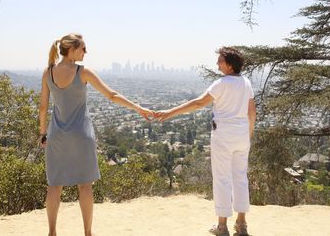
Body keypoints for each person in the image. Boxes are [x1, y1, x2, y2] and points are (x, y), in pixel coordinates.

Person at [38, 33, 152, 236]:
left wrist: (43, 134)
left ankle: (52, 232)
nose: (86, 52)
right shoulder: (83, 72)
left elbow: (43, 108)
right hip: (82, 136)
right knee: (85, 185)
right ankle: (88, 233)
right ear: (72, 49)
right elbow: (112, 95)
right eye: (83, 48)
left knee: (55, 185)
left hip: (57, 136)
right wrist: (137, 107)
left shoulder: (48, 73)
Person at [155, 47, 256, 236]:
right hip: (242, 135)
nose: (217, 64)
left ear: (230, 64)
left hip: (223, 135)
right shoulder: (246, 83)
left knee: (222, 179)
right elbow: (252, 112)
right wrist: (249, 134)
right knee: (241, 178)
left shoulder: (221, 83)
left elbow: (198, 103)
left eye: (220, 60)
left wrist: (170, 112)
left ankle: (222, 226)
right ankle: (241, 224)